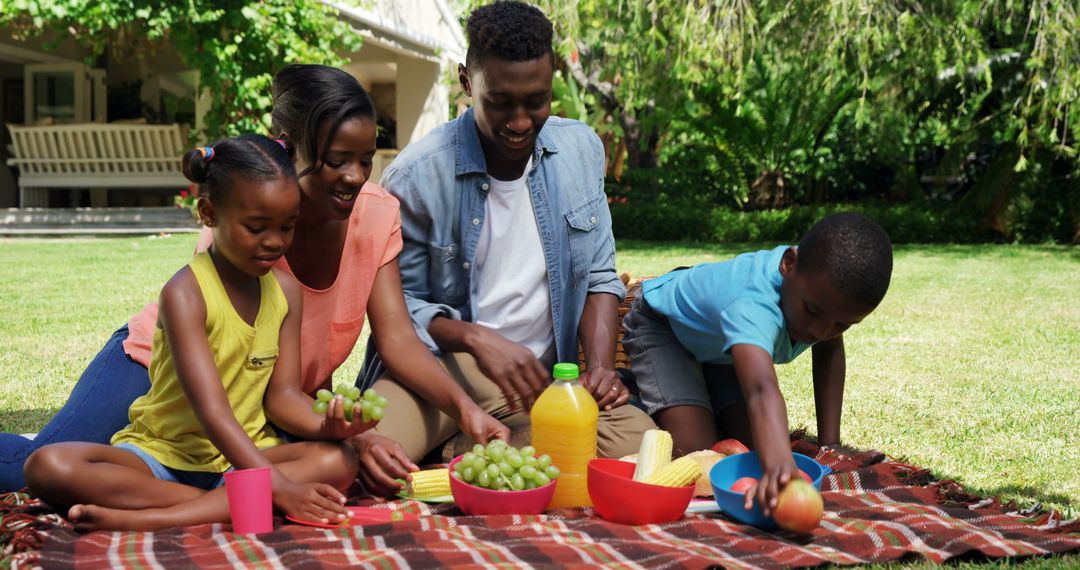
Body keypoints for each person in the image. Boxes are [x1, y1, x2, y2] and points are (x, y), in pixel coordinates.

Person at [0, 64, 507, 497]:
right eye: (336, 161)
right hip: (161, 370)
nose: (357, 176)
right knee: (34, 469)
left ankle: (170, 500)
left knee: (316, 472)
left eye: (366, 159)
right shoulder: (245, 226)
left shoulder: (375, 217)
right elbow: (226, 375)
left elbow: (396, 338)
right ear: (287, 150)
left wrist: (465, 411)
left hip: (261, 404)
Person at [360, 1, 655, 463]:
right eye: (500, 103)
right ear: (466, 82)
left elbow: (599, 276)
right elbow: (402, 312)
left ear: (553, 80)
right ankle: (489, 438)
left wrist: (598, 370)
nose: (520, 122)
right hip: (443, 371)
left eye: (535, 101)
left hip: (545, 379)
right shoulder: (416, 177)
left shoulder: (580, 152)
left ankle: (477, 446)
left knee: (638, 448)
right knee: (372, 454)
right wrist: (479, 339)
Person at [24, 135, 362, 531]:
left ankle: (162, 514)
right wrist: (281, 489)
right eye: (256, 227)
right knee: (47, 465)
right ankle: (223, 505)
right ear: (208, 213)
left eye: (288, 226)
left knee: (340, 459)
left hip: (246, 458)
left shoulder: (286, 293)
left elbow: (283, 396)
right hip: (163, 456)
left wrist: (332, 426)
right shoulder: (185, 295)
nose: (275, 241)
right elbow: (213, 413)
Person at [621, 212, 893, 515]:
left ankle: (698, 392)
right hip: (665, 326)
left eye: (841, 324)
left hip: (720, 349)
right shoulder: (752, 301)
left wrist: (831, 443)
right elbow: (762, 389)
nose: (819, 331)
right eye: (812, 312)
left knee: (748, 447)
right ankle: (632, 387)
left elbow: (828, 348)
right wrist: (780, 468)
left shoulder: (819, 287)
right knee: (697, 451)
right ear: (788, 264)